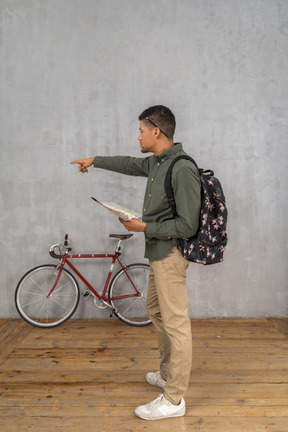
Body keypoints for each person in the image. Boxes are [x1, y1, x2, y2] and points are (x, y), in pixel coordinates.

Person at [71, 105, 201, 420]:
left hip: (171, 254)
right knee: (156, 311)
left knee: (176, 324)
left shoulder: (182, 168)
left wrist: (143, 227)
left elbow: (188, 226)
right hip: (157, 251)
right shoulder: (158, 162)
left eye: (141, 130)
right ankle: (168, 372)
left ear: (157, 131)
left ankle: (174, 400)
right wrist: (96, 160)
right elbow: (129, 164)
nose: (138, 135)